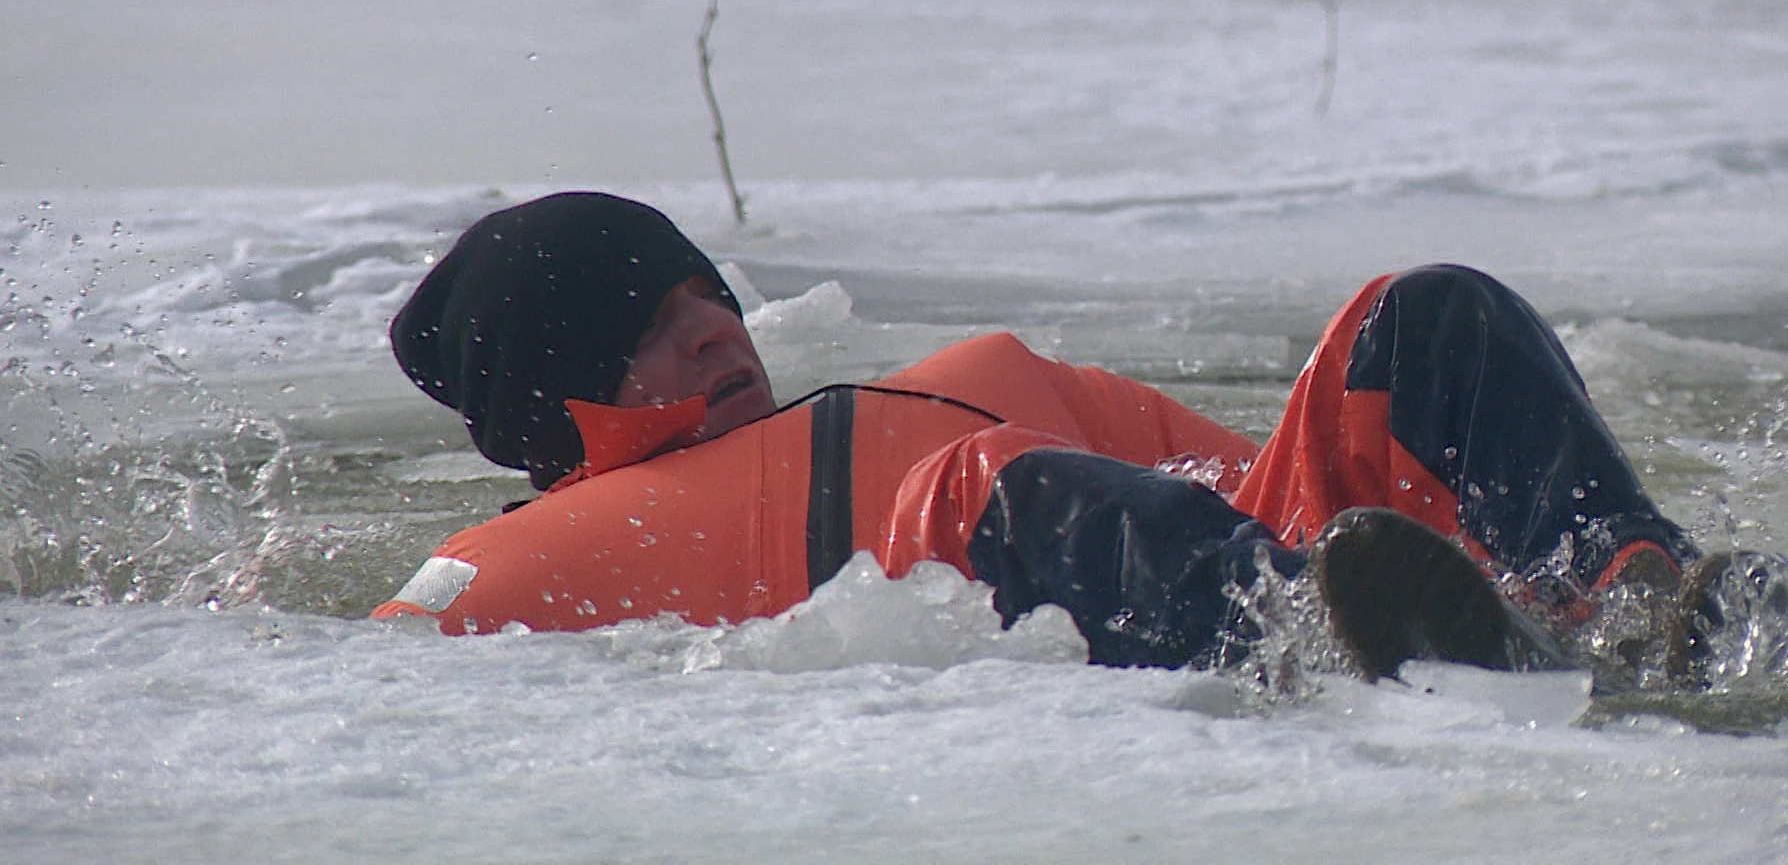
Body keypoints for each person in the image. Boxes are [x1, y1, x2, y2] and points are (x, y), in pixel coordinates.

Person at [375, 192, 1697, 677]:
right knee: (979, 486)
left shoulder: (985, 382)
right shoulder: (516, 572)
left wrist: (1405, 562)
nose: (722, 334)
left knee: (1426, 315)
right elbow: (340, 687)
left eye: (712, 297)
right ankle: (1316, 645)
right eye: (654, 329)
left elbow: (1305, 501)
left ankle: (1639, 599)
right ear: (562, 396)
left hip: (1282, 572)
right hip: (1209, 625)